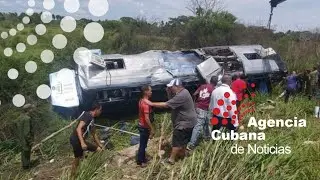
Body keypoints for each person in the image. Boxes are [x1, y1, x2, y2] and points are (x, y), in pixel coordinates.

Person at [145, 78, 196, 165]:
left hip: (184, 123)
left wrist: (151, 104)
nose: (170, 88)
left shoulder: (182, 95)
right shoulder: (182, 92)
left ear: (177, 86)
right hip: (188, 122)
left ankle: (171, 160)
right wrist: (168, 92)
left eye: (171, 87)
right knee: (183, 140)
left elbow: (166, 104)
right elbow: (171, 101)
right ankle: (182, 154)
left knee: (176, 142)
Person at [70, 102, 104, 178]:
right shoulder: (87, 115)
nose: (101, 112)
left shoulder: (91, 119)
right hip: (76, 140)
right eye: (100, 110)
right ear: (96, 109)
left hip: (78, 140)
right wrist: (82, 143)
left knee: (80, 158)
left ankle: (77, 174)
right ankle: (73, 176)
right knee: (77, 159)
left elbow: (94, 133)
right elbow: (78, 129)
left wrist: (100, 144)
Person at [186, 76, 218, 150]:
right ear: (216, 83)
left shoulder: (202, 86)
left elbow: (194, 94)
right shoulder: (214, 90)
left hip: (198, 107)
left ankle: (207, 137)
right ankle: (191, 144)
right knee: (198, 126)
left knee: (206, 122)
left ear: (210, 80)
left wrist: (194, 104)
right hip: (204, 108)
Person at [137, 85, 155, 167]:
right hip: (144, 127)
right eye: (150, 91)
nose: (151, 92)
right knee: (143, 145)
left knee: (143, 144)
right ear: (145, 92)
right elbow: (147, 118)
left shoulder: (141, 100)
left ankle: (142, 158)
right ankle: (141, 161)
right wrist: (151, 128)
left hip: (141, 124)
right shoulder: (146, 104)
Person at [14, 104, 36, 169]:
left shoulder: (19, 117)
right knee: (27, 152)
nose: (33, 110)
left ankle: (25, 166)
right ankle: (27, 168)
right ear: (29, 110)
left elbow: (15, 125)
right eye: (32, 109)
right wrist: (30, 141)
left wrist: (19, 136)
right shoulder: (27, 119)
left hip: (21, 138)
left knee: (23, 152)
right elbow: (27, 133)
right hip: (26, 140)